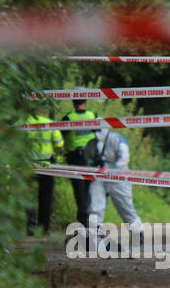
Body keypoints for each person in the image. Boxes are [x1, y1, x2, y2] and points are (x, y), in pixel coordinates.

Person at [86, 125, 143, 248]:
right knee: (95, 205)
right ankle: (94, 234)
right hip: (99, 176)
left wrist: (115, 170)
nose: (96, 133)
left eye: (97, 130)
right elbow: (88, 159)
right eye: (94, 130)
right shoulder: (91, 143)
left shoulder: (116, 138)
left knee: (124, 207)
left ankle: (137, 232)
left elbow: (124, 157)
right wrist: (92, 165)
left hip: (118, 178)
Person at [24, 98, 64, 235]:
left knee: (28, 195)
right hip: (47, 164)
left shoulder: (24, 122)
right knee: (45, 196)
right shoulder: (50, 124)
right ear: (44, 109)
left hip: (27, 164)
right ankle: (43, 228)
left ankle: (30, 226)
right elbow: (59, 145)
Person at [61, 90, 97, 228]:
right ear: (85, 101)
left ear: (73, 101)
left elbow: (61, 134)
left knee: (78, 187)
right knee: (89, 187)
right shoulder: (93, 115)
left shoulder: (68, 118)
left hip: (74, 157)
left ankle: (84, 217)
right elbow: (99, 132)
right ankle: (88, 216)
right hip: (91, 156)